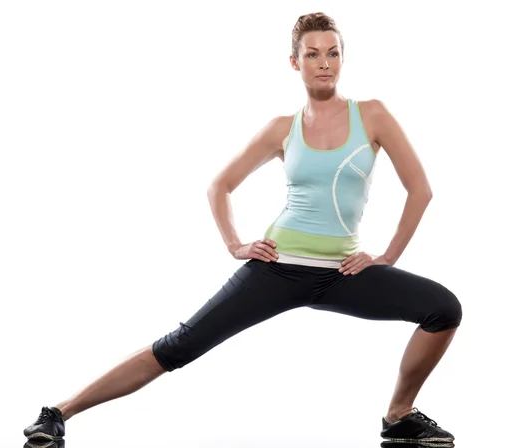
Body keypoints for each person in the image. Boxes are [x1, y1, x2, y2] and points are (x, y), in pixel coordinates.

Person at [23, 12, 462, 444]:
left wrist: (386, 257)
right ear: (295, 62)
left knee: (443, 309)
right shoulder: (281, 129)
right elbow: (220, 186)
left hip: (342, 273)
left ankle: (399, 415)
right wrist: (236, 244)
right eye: (312, 54)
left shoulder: (373, 115)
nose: (324, 63)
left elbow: (419, 190)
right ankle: (59, 412)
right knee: (178, 347)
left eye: (333, 53)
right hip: (277, 268)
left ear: (343, 58)